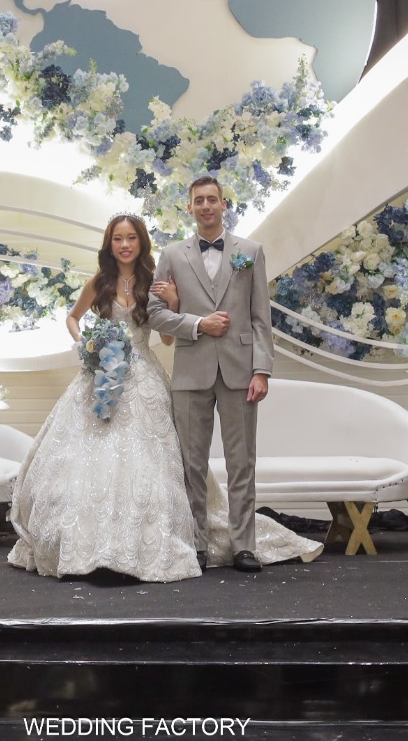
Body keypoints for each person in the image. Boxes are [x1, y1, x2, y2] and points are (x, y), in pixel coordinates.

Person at [8, 213, 319, 582]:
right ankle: (86, 542)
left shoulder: (153, 280)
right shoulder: (100, 281)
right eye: (117, 239)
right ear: (109, 244)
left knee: (156, 460)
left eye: (131, 238)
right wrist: (87, 344)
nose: (124, 245)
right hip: (101, 374)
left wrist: (172, 303)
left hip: (143, 376)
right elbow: (73, 318)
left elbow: (168, 338)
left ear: (141, 242)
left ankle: (167, 539)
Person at [146, 175, 274, 573]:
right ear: (189, 207)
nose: (205, 206)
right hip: (191, 371)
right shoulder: (172, 254)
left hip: (240, 371)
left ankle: (244, 546)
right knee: (192, 465)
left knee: (242, 463)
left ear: (223, 205)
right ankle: (196, 544)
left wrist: (262, 370)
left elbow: (260, 317)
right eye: (198, 200)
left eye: (212, 199)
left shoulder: (250, 251)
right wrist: (199, 324)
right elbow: (155, 314)